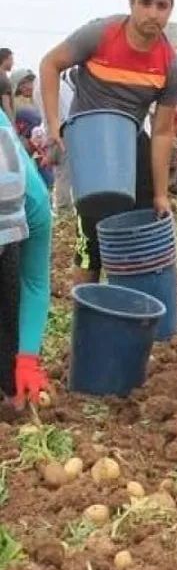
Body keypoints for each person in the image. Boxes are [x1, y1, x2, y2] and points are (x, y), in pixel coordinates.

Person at [38, 0, 177, 285]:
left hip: (130, 143)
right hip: (90, 145)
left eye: (162, 6)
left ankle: (133, 308)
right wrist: (53, 125)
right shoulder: (101, 34)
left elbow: (161, 132)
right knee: (91, 241)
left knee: (142, 227)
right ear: (131, 1)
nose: (152, 14)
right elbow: (50, 64)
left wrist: (161, 193)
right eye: (145, 3)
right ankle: (86, 319)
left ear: (171, 7)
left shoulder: (169, 65)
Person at [0, 111, 52, 412]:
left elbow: (34, 281)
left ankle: (10, 384)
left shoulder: (34, 203)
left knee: (9, 289)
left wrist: (27, 357)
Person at [33, 67, 76, 213]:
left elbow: (49, 119)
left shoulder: (40, 87)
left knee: (63, 176)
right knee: (69, 175)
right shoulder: (60, 84)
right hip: (71, 130)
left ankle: (64, 213)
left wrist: (50, 147)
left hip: (61, 134)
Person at [0, 48, 13, 121]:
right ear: (5, 60)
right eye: (11, 59)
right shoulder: (4, 80)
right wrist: (12, 125)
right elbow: (6, 106)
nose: (13, 63)